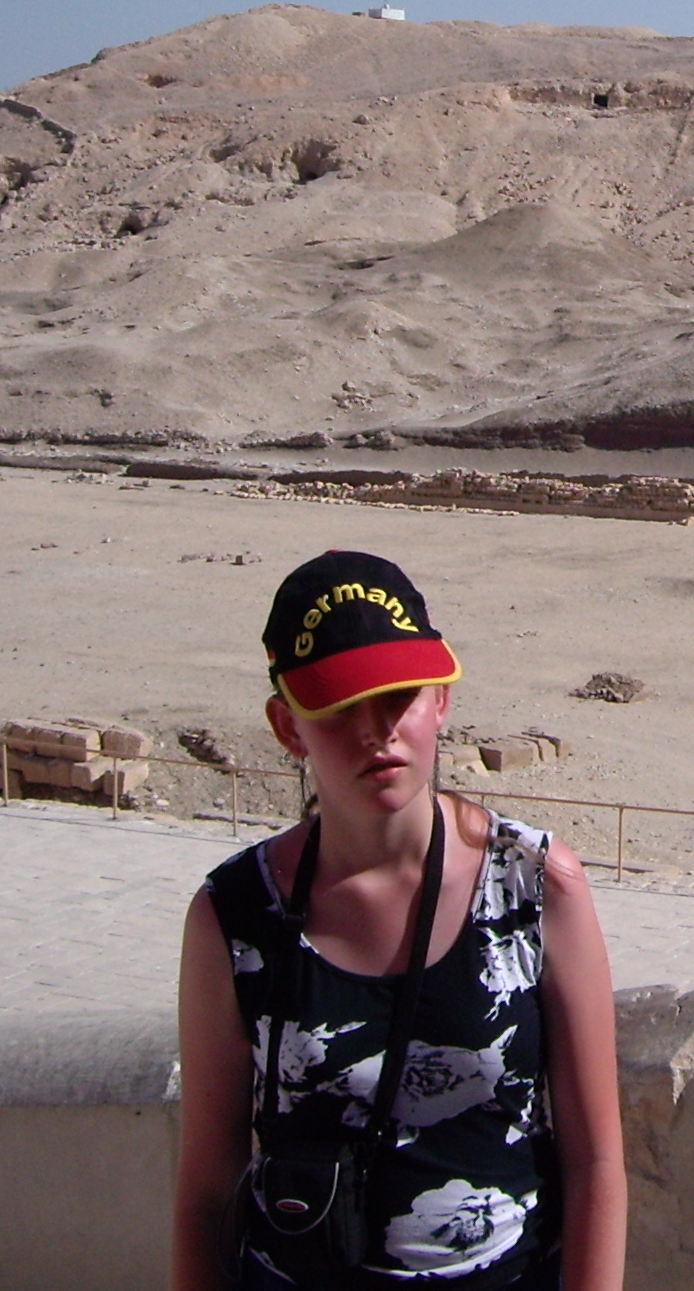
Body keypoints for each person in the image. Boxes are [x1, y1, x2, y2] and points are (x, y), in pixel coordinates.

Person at [172, 550, 625, 1290]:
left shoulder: (536, 885)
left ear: (439, 702)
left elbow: (597, 1160)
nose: (375, 731)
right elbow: (207, 1184)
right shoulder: (234, 915)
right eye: (339, 706)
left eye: (397, 698)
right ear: (288, 726)